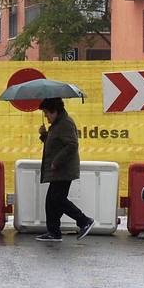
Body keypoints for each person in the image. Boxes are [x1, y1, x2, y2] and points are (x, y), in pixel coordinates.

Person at [36, 97, 95, 242]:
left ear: (55, 111)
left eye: (47, 113)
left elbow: (72, 145)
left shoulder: (65, 123)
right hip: (58, 170)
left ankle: (84, 221)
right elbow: (55, 143)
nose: (46, 116)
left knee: (57, 199)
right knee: (51, 200)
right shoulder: (57, 124)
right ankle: (53, 232)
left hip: (63, 170)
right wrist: (44, 135)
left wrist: (56, 161)